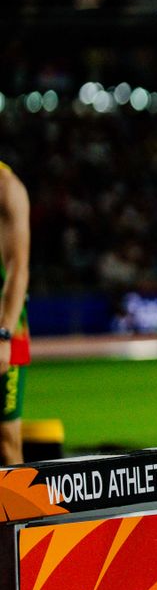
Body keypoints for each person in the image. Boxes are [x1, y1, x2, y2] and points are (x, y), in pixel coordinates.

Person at [0, 161, 28, 467]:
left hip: (6, 324)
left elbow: (18, 269)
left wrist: (4, 333)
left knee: (6, 441)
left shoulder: (7, 188)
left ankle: (18, 514)